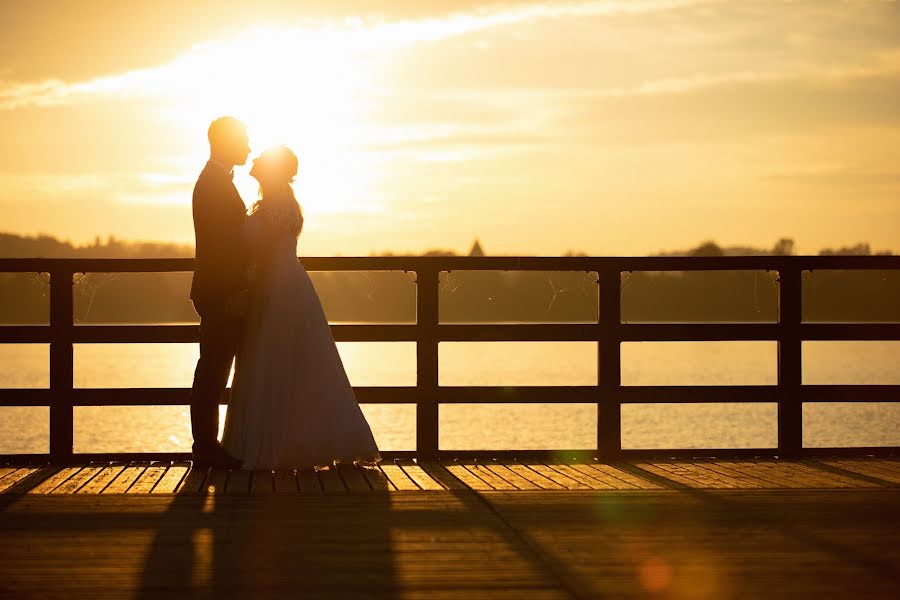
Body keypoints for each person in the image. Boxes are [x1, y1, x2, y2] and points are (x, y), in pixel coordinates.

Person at [221, 145, 380, 469]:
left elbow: (258, 251)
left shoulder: (274, 207)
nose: (254, 161)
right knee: (303, 362)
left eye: (261, 161)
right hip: (291, 286)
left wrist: (245, 281)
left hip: (276, 291)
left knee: (272, 361)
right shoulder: (283, 203)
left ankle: (272, 444)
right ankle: (302, 439)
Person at [188, 116, 251, 469]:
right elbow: (220, 246)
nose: (249, 147)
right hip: (220, 291)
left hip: (219, 288)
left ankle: (207, 447)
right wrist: (238, 289)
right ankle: (205, 449)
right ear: (224, 142)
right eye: (243, 140)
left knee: (214, 368)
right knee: (213, 370)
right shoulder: (212, 184)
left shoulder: (215, 180)